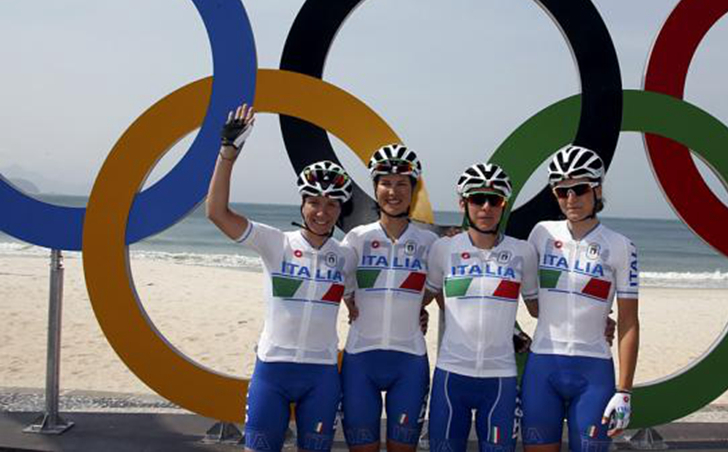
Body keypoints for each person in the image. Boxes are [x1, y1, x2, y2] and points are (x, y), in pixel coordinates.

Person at [206, 104, 355, 452]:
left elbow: (364, 297)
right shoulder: (276, 243)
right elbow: (216, 212)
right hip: (272, 371)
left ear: (340, 209)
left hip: (321, 375)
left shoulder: (347, 255)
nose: (322, 212)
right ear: (302, 205)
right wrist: (227, 154)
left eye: (332, 204)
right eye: (314, 202)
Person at [521, 145, 639, 452]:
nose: (571, 199)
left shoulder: (620, 246)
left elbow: (629, 323)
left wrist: (624, 390)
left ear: (597, 190)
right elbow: (534, 305)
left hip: (594, 372)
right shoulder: (541, 233)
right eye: (562, 191)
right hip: (542, 365)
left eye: (580, 189)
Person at [423, 162, 539, 452]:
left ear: (504, 205)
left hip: (500, 378)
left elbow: (541, 308)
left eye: (494, 200)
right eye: (477, 199)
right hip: (451, 375)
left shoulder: (523, 251)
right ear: (463, 203)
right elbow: (421, 297)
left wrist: (603, 316)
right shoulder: (443, 249)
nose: (486, 207)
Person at [340, 144, 438, 452]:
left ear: (413, 189)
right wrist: (350, 303)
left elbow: (437, 292)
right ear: (375, 187)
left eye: (401, 184)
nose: (392, 191)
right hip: (360, 359)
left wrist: (420, 309)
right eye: (385, 182)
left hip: (409, 361)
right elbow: (337, 283)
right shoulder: (356, 238)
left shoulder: (429, 242)